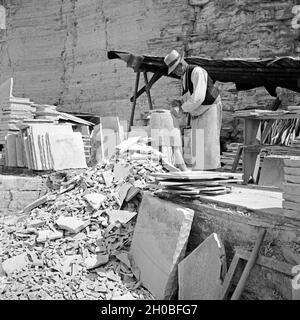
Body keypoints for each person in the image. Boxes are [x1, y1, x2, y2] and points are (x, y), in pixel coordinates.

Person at [164, 49, 222, 170]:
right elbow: (189, 96)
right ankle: (202, 173)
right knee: (199, 147)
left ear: (181, 64)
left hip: (209, 109)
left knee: (209, 146)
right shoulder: (184, 77)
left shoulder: (196, 72)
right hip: (198, 113)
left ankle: (212, 175)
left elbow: (198, 97)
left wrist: (183, 109)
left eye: (175, 69)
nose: (175, 72)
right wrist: (180, 101)